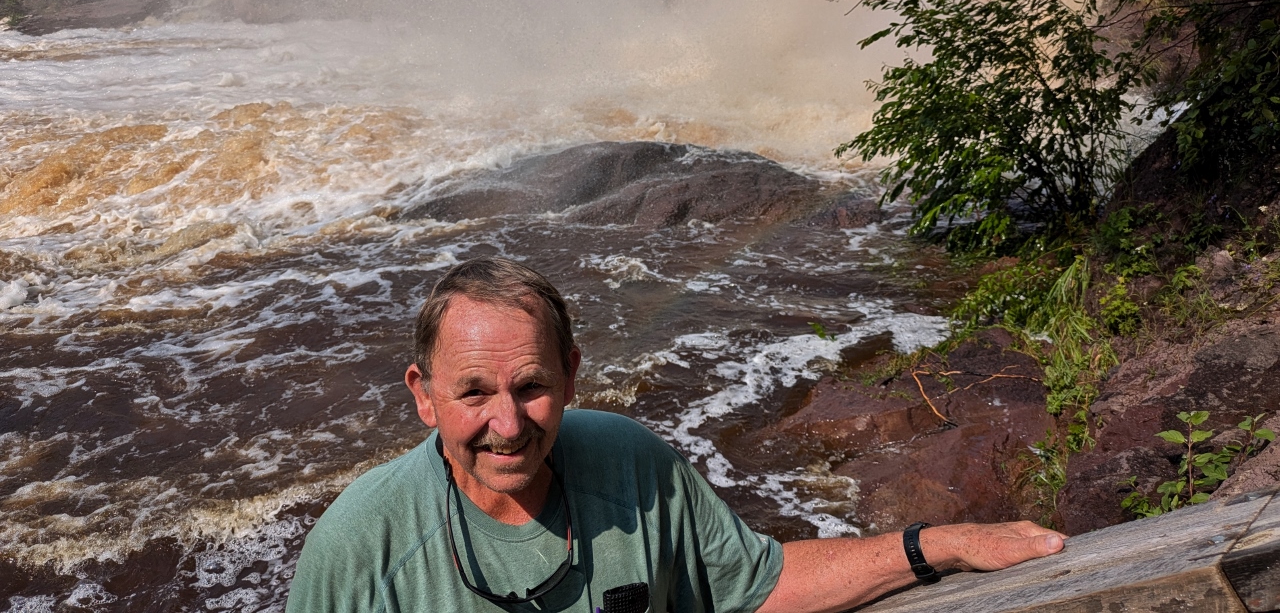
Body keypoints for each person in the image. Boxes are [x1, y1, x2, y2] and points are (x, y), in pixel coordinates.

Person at [287, 257, 1066, 613]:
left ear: (571, 375)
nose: (508, 424)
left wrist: (941, 545)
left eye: (531, 388)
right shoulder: (361, 551)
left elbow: (760, 584)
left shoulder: (632, 465)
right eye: (474, 394)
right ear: (423, 397)